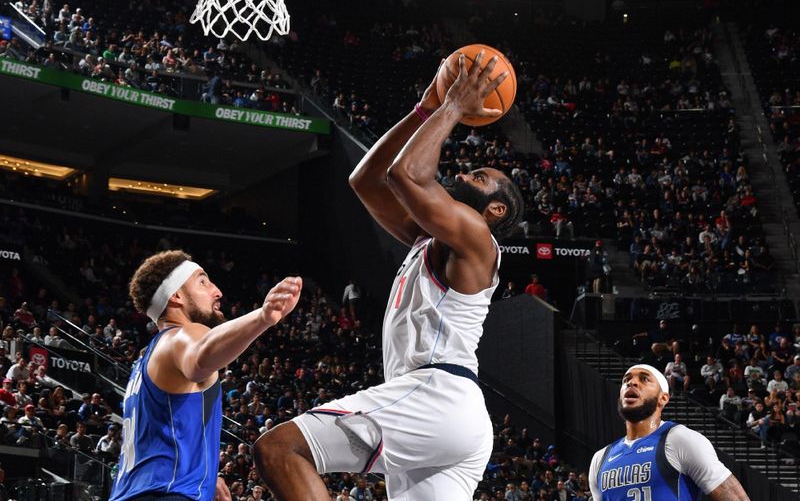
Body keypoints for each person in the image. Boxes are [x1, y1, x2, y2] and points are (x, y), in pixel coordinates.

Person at [254, 52, 524, 499]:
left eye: (478, 176)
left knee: (280, 449)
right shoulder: (428, 238)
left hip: (437, 392)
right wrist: (424, 109)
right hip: (447, 414)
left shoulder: (477, 237)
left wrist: (452, 106)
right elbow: (367, 180)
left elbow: (406, 174)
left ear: (496, 210)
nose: (464, 172)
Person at [109, 250, 302, 501]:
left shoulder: (145, 361)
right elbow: (199, 357)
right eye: (203, 281)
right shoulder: (181, 336)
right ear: (176, 296)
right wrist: (262, 317)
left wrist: (208, 475)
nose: (217, 291)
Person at [589, 364, 749, 500]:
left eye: (644, 379)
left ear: (663, 398)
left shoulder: (680, 439)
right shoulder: (600, 459)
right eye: (626, 380)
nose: (632, 383)